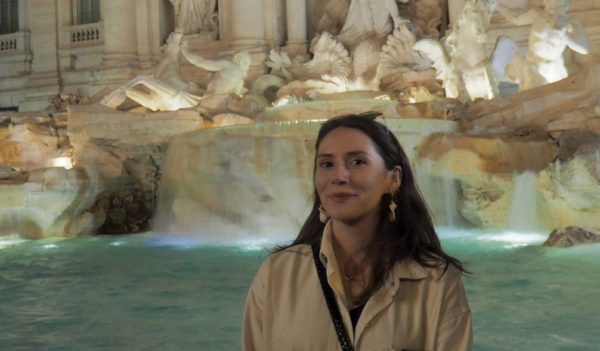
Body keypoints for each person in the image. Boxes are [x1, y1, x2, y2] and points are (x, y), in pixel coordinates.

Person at [242, 112, 472, 350]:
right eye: (327, 164)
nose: (339, 176)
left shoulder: (436, 281)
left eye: (357, 162)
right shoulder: (277, 275)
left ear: (393, 179)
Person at [496, 0, 589, 90]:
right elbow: (515, 19)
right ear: (546, 2)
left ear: (566, 5)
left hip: (551, 71)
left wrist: (566, 36)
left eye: (559, 5)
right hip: (531, 66)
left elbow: (584, 49)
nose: (555, 7)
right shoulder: (537, 14)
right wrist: (497, 6)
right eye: (552, 3)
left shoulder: (570, 23)